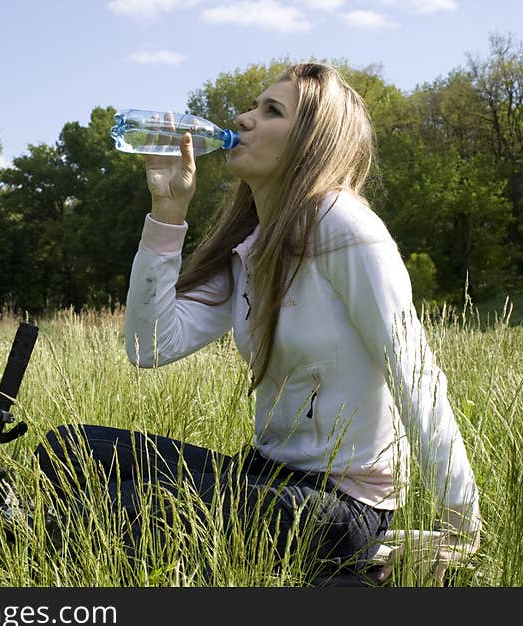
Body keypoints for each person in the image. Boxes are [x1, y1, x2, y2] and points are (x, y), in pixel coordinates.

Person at [33, 62, 482, 584]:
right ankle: (329, 574)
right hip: (264, 477)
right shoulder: (252, 247)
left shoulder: (343, 225)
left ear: (314, 140)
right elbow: (149, 346)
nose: (244, 119)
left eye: (271, 111)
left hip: (343, 506)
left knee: (117, 506)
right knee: (69, 451)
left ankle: (351, 567)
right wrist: (168, 213)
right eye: (252, 106)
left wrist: (460, 529)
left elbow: (416, 375)